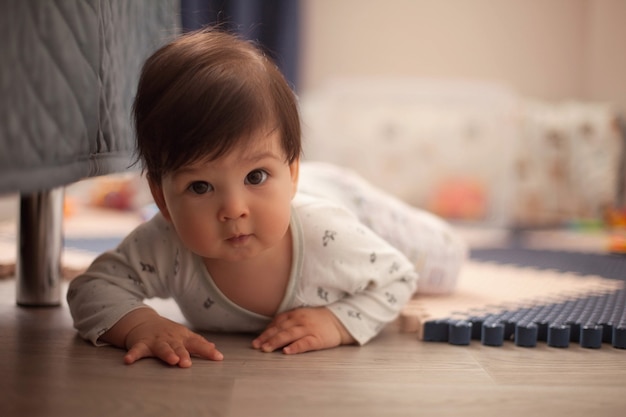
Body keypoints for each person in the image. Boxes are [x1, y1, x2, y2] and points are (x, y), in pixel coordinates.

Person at [67, 28, 466, 368]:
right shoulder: (163, 245)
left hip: (345, 199)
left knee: (441, 265)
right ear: (161, 196)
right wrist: (140, 324)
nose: (234, 209)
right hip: (299, 189)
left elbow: (398, 278)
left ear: (289, 172)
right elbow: (91, 287)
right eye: (200, 187)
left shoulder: (326, 234)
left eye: (255, 176)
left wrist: (336, 322)